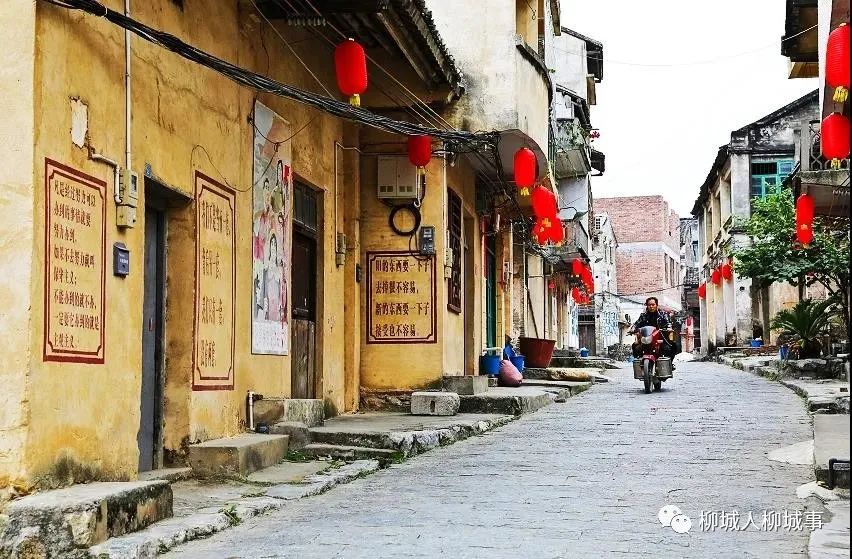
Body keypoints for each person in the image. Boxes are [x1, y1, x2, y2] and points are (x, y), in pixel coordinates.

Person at [628, 297, 677, 363]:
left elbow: (668, 323)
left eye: (653, 305)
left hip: (660, 337)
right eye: (649, 305)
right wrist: (632, 329)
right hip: (646, 338)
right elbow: (636, 323)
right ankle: (639, 361)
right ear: (647, 306)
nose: (651, 306)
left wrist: (669, 328)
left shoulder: (663, 314)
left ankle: (670, 363)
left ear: (656, 305)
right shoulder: (643, 315)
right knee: (635, 346)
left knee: (671, 346)